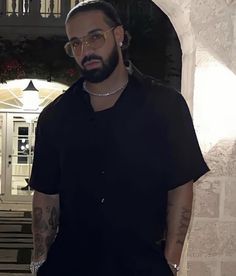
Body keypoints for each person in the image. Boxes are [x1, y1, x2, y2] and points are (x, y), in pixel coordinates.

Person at [29, 1, 209, 275]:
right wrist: (39, 260)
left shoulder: (165, 106)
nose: (85, 50)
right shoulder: (56, 116)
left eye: (95, 37)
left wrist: (171, 260)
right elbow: (45, 195)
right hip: (69, 264)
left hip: (142, 264)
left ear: (119, 35)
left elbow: (180, 185)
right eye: (75, 43)